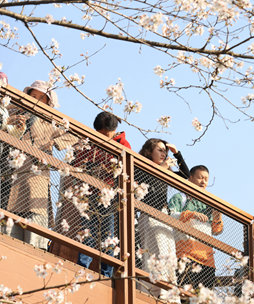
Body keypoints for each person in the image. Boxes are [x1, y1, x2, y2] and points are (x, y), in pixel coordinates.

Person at [4, 81, 71, 250]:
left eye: (41, 98)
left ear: (49, 103)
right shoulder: (16, 112)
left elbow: (74, 136)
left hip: (36, 179)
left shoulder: (50, 121)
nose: (36, 100)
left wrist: (52, 143)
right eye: (33, 96)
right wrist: (13, 119)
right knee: (8, 234)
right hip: (11, 178)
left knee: (33, 232)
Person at [63, 111, 131, 277]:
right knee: (87, 232)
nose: (103, 137)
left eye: (106, 134)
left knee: (108, 235)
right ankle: (83, 266)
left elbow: (126, 169)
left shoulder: (123, 144)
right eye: (100, 134)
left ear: (113, 130)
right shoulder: (90, 142)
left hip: (110, 196)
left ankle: (106, 273)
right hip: (90, 194)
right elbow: (78, 162)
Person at [135, 138, 190, 291]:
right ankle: (152, 289)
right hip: (150, 215)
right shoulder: (141, 166)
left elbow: (187, 176)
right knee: (155, 252)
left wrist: (177, 154)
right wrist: (163, 169)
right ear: (149, 151)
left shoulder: (166, 169)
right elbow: (146, 185)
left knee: (169, 253)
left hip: (164, 215)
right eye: (159, 150)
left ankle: (167, 289)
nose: (163, 154)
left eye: (164, 151)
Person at [170, 165, 223, 290]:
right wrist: (190, 214)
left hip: (207, 259)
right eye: (200, 178)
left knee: (204, 302)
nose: (203, 181)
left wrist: (217, 217)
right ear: (191, 178)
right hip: (185, 254)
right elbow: (169, 216)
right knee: (185, 296)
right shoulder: (180, 197)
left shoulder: (210, 201)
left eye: (206, 179)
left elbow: (216, 231)